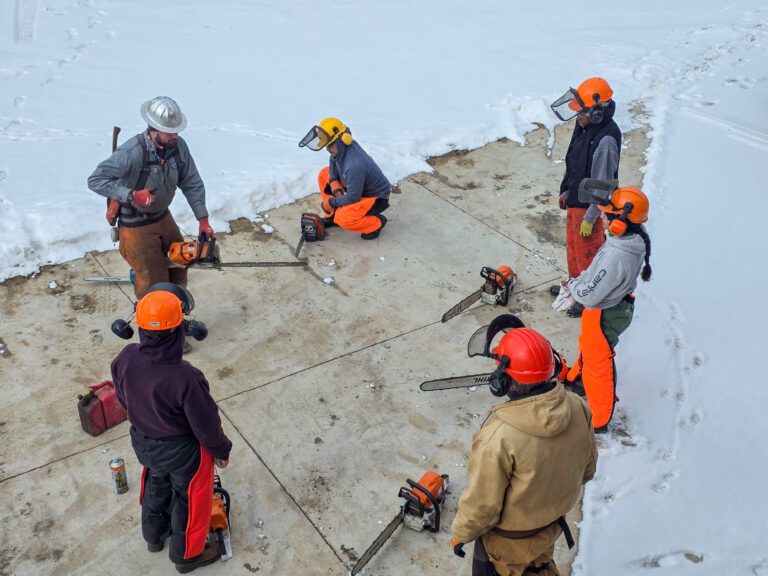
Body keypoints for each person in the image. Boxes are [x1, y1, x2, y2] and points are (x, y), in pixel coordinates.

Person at [451, 319, 597, 576]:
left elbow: (482, 507)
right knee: (540, 565)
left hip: (508, 543)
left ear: (503, 381)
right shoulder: (577, 407)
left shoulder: (497, 437)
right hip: (549, 528)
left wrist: (462, 534)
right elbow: (588, 469)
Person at [111, 285, 232, 574]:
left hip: (144, 444)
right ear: (180, 329)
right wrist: (222, 450)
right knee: (188, 499)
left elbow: (123, 399)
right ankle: (187, 555)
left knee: (156, 482)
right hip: (182, 453)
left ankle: (154, 537)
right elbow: (206, 424)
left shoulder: (126, 357)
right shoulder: (185, 377)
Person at [88, 96, 214, 299]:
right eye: (170, 131)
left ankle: (176, 311)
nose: (176, 135)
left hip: (163, 217)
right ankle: (154, 325)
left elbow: (192, 182)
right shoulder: (132, 152)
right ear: (154, 129)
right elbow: (95, 180)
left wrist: (203, 219)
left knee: (180, 263)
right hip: (135, 226)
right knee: (154, 280)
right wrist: (131, 195)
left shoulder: (178, 147)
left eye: (177, 130)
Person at [552, 185, 652, 433]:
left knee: (600, 366)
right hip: (610, 308)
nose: (602, 218)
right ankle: (578, 379)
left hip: (606, 313)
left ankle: (599, 419)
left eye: (607, 215)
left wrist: (574, 286)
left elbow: (591, 293)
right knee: (589, 346)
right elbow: (597, 274)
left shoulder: (617, 255)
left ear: (620, 222)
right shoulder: (628, 240)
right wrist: (580, 280)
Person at [550, 77, 622, 318]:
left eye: (580, 113)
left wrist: (591, 218)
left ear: (597, 112)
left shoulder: (606, 140)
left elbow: (602, 186)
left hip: (589, 209)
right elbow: (573, 160)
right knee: (572, 249)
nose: (576, 117)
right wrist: (566, 190)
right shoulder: (583, 126)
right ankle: (574, 287)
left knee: (588, 256)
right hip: (575, 201)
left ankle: (589, 297)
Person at [298, 117, 391, 239]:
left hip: (375, 197)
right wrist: (333, 181)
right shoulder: (342, 148)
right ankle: (332, 216)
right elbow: (333, 159)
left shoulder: (354, 165)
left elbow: (353, 197)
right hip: (358, 186)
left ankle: (376, 223)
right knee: (324, 174)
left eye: (329, 145)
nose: (327, 149)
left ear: (342, 140)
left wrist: (331, 202)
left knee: (343, 218)